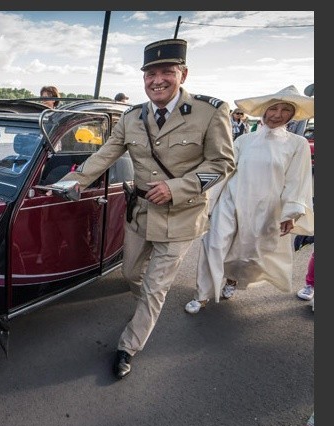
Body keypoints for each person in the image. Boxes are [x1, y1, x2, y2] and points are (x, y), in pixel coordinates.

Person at [62, 38, 236, 380]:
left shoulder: (210, 112)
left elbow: (222, 164)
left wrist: (176, 188)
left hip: (182, 215)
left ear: (183, 74)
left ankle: (129, 345)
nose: (157, 80)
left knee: (156, 287)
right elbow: (106, 153)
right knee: (130, 274)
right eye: (150, 74)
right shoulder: (131, 117)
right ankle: (147, 305)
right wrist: (74, 181)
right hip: (140, 213)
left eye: (166, 72)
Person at [185, 85, 314, 315]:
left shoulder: (298, 144)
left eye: (285, 110)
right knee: (213, 245)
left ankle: (232, 279)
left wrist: (291, 213)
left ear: (293, 115)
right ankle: (202, 294)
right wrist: (209, 203)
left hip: (267, 209)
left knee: (246, 253)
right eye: (273, 108)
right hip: (231, 201)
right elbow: (225, 171)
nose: (278, 114)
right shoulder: (244, 140)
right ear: (264, 110)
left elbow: (297, 180)